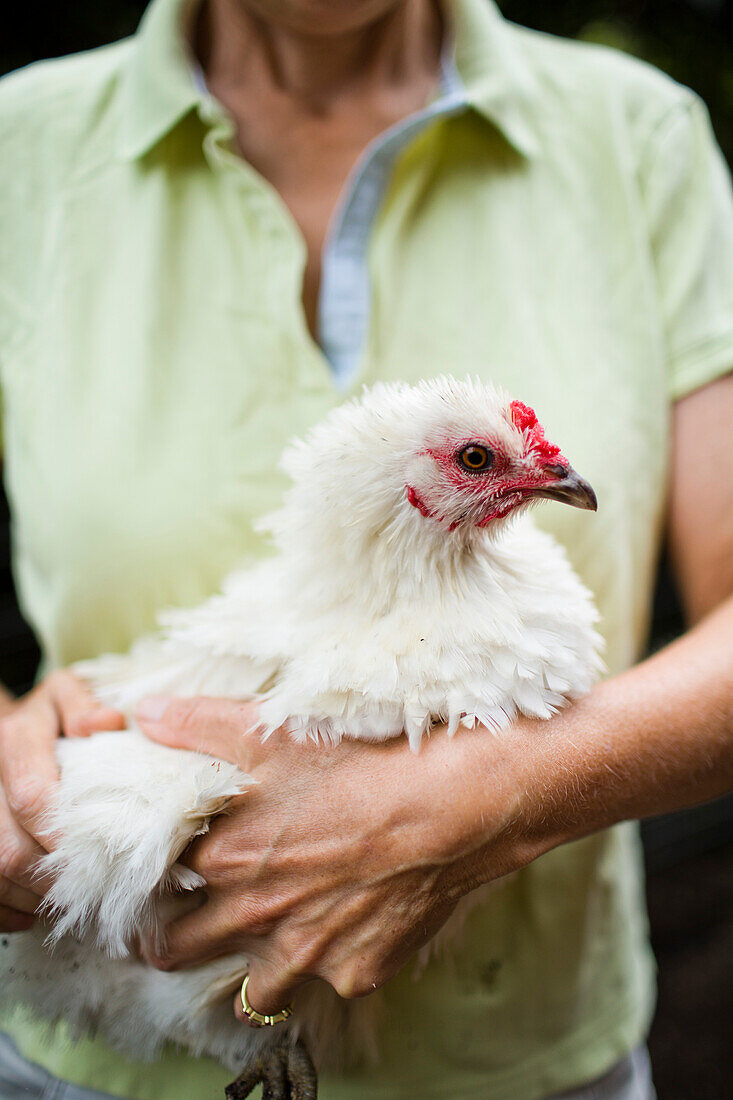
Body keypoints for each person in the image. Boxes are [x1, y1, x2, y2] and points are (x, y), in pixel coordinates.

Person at [0, 0, 732, 1097]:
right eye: (487, 464)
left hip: (526, 1062)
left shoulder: (636, 136)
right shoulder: (23, 144)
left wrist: (494, 796)